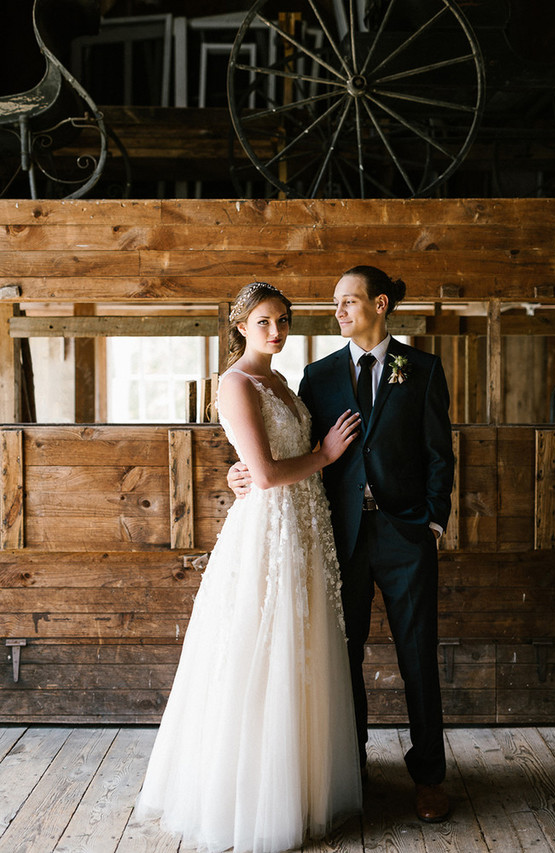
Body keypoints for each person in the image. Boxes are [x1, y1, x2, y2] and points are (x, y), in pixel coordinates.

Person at [135, 281, 363, 853]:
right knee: (261, 646)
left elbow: (262, 463)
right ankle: (251, 797)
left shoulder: (284, 381)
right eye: (264, 322)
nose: (277, 331)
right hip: (268, 529)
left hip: (305, 526)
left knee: (301, 647)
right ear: (241, 326)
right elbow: (261, 475)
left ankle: (303, 785)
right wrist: (325, 455)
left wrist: (308, 465)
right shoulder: (235, 382)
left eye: (283, 320)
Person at [229, 266, 454, 823]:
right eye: (334, 303)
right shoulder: (317, 375)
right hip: (339, 536)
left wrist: (432, 523)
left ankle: (429, 777)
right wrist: (237, 472)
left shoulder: (420, 368)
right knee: (340, 657)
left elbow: (438, 454)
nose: (338, 311)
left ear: (379, 304)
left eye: (349, 301)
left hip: (405, 536)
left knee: (418, 658)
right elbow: (287, 450)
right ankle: (350, 771)